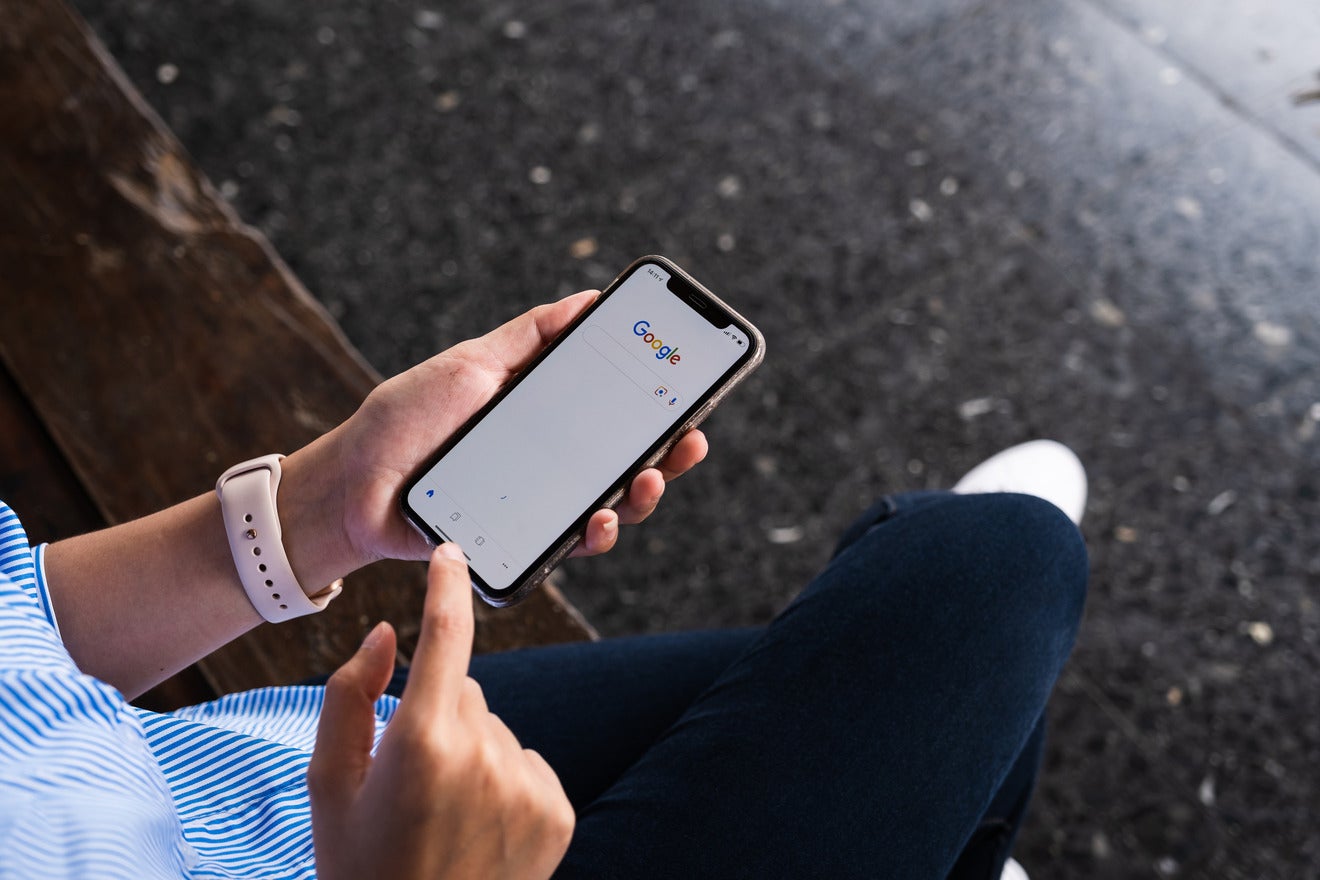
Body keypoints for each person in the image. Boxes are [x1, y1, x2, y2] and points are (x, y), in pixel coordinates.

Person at [0, 290, 1087, 879]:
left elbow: (22, 644)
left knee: (966, 653)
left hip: (279, 781)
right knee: (992, 574)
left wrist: (323, 505)